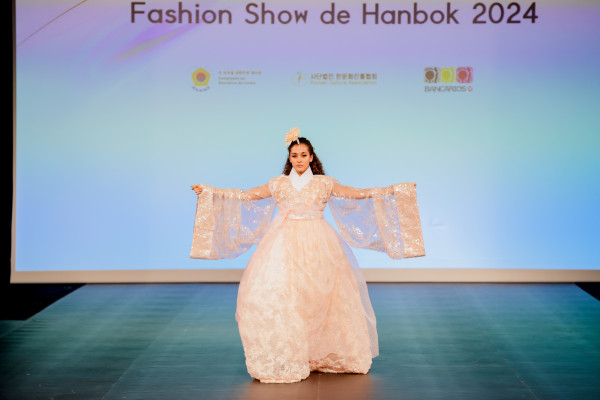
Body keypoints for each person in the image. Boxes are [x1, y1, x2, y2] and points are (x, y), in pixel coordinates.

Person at [190, 128, 424, 383]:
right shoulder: (278, 183)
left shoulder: (324, 183)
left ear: (312, 157)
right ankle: (290, 352)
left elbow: (358, 193)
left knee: (324, 298)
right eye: (294, 155)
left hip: (319, 243)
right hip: (282, 243)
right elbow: (245, 195)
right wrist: (211, 191)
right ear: (289, 158)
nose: (299, 160)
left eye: (303, 155)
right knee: (282, 297)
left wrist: (396, 190)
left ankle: (323, 354)